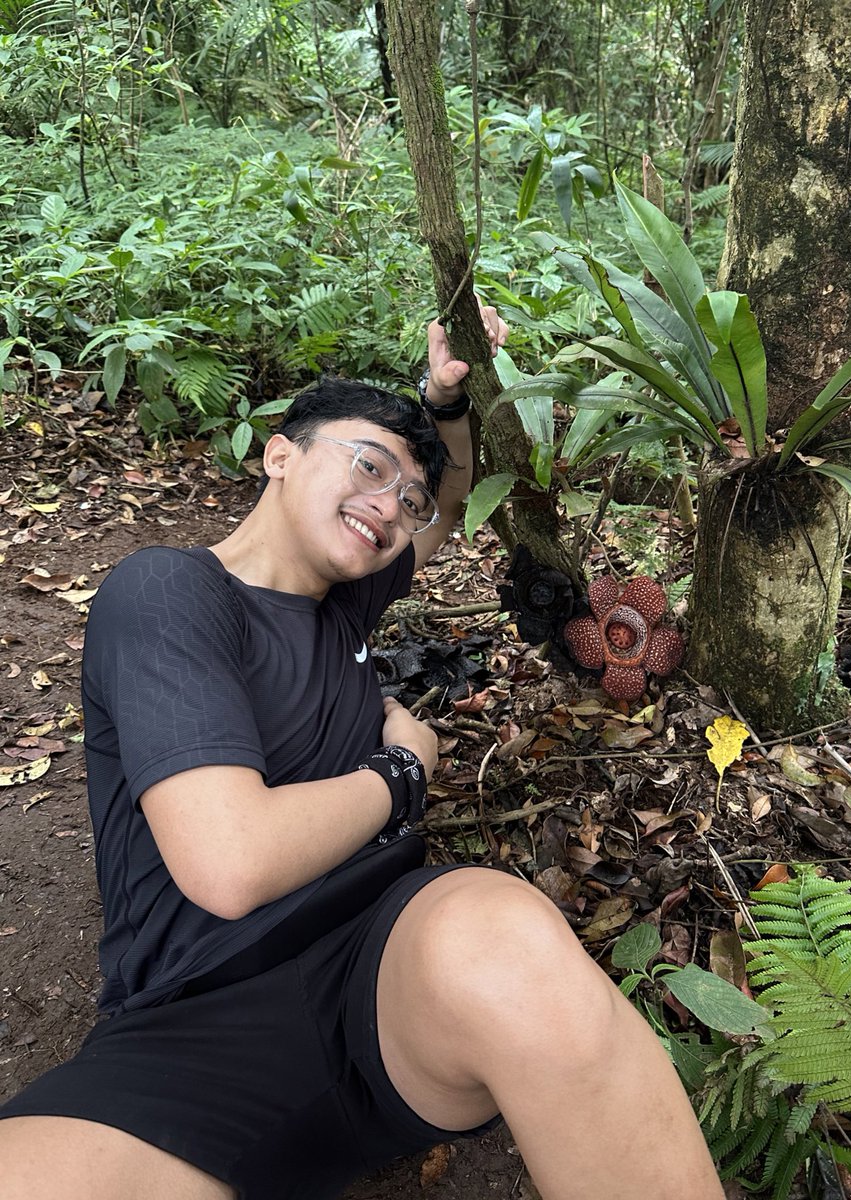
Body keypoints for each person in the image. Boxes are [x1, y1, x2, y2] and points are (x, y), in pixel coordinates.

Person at [0, 307, 724, 1200]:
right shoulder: (167, 591)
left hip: (383, 980)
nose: (390, 506)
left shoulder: (347, 601)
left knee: (505, 936)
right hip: (193, 1023)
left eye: (403, 498)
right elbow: (230, 861)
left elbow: (450, 501)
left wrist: (443, 398)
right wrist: (401, 771)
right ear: (279, 454)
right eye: (367, 466)